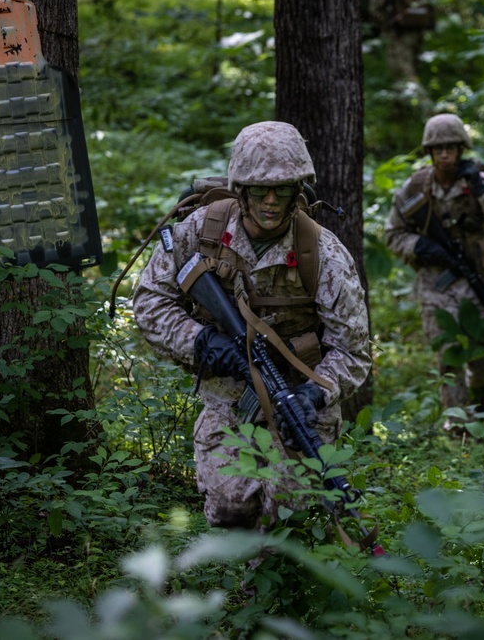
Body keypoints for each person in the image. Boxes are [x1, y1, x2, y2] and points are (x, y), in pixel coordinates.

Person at [132, 121, 372, 530]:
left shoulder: (324, 255)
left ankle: (270, 587)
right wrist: (202, 342)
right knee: (230, 511)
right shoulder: (202, 231)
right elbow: (149, 301)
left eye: (283, 189)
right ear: (240, 189)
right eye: (260, 189)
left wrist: (314, 394)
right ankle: (238, 585)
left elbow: (353, 351)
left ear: (300, 190)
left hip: (295, 396)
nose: (272, 201)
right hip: (229, 395)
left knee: (292, 517)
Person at [384, 113, 484, 434]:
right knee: (448, 355)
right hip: (435, 282)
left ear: (461, 149)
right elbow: (393, 234)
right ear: (429, 152)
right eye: (438, 148)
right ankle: (458, 425)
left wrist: (480, 189)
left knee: (481, 356)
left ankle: (483, 402)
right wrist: (422, 247)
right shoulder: (416, 187)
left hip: (478, 280)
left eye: (451, 148)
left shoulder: (479, 182)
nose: (445, 154)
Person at [369, 0, 433, 100]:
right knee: (411, 71)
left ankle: (428, 110)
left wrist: (382, 24)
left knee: (404, 75)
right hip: (417, 28)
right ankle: (402, 111)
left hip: (396, 31)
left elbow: (376, 4)